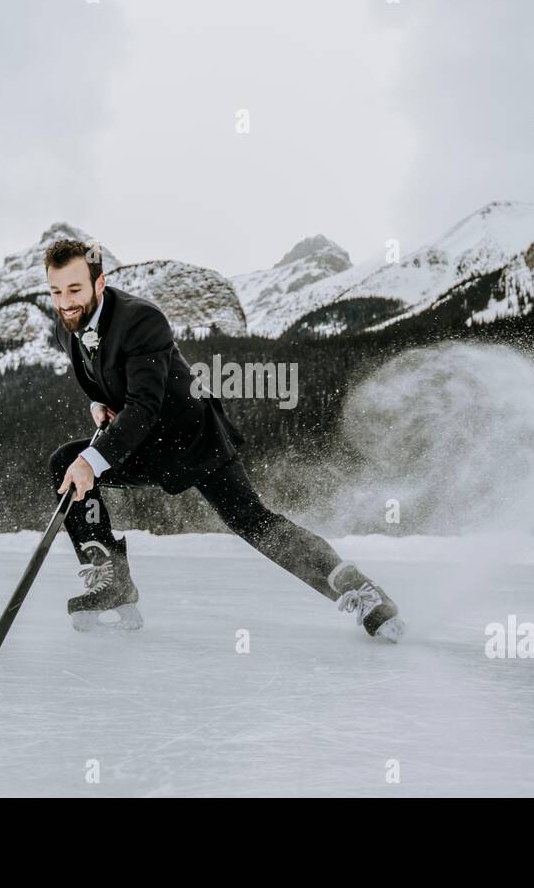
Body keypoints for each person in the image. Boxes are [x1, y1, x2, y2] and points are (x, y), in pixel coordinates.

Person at [44, 239, 405, 640]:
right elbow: (104, 377)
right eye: (56, 291)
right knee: (65, 462)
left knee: (254, 522)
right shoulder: (68, 325)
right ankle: (113, 581)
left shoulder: (141, 320)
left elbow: (144, 407)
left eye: (74, 289)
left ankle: (360, 589)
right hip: (141, 447)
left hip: (194, 441)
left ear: (99, 283)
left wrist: (93, 461)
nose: (64, 301)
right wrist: (99, 402)